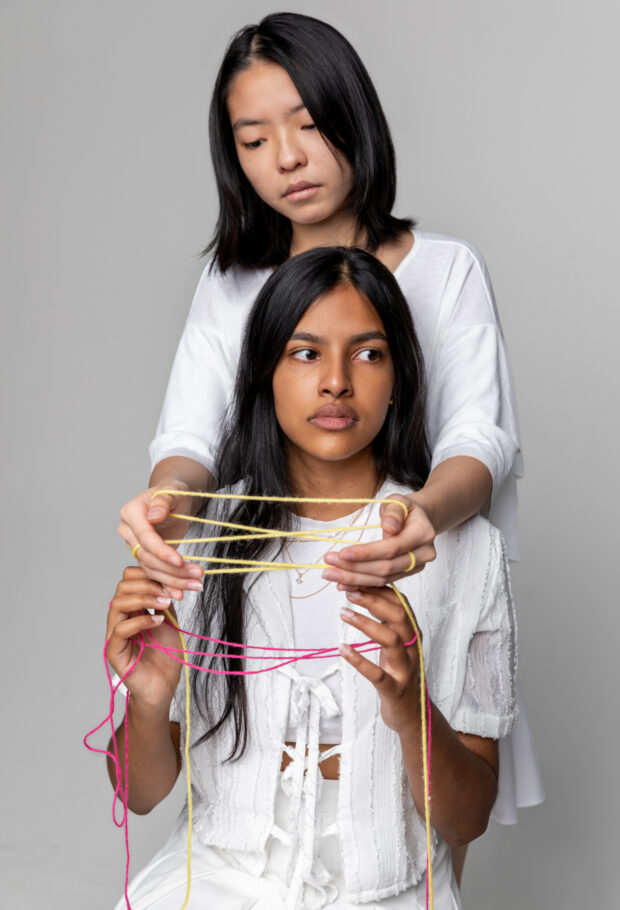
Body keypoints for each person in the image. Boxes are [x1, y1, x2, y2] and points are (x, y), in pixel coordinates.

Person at [116, 11, 542, 875]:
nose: (286, 157)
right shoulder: (231, 280)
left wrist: (416, 521)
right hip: (266, 574)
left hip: (413, 583)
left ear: (356, 118)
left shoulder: (443, 270)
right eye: (253, 138)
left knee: (404, 839)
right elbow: (192, 435)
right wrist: (164, 509)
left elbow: (477, 438)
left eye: (309, 125)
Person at [106, 247, 518, 910]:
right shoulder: (198, 539)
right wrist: (148, 703)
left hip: (387, 888)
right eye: (304, 353)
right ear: (265, 371)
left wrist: (412, 711)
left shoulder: (463, 549)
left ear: (401, 378)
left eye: (368, 353)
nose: (335, 382)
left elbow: (465, 821)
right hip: (214, 880)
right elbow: (140, 792)